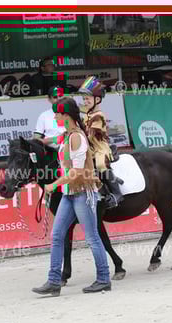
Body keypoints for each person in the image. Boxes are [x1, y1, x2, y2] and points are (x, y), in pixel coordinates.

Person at [32, 97, 112, 296]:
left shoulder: (76, 138)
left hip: (83, 192)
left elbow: (76, 171)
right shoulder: (66, 135)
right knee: (57, 235)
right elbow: (51, 140)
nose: (55, 117)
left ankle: (104, 278)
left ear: (66, 115)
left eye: (57, 114)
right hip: (69, 194)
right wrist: (35, 143)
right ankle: (53, 281)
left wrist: (53, 185)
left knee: (92, 237)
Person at [78, 76, 124, 209]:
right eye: (84, 99)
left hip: (100, 147)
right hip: (90, 147)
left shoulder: (98, 116)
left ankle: (117, 193)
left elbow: (91, 134)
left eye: (87, 99)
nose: (85, 102)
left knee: (100, 164)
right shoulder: (87, 114)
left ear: (97, 100)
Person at [34, 86, 66, 151]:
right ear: (49, 99)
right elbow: (35, 140)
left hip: (69, 151)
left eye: (60, 96)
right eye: (55, 97)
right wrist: (54, 139)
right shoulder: (44, 116)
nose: (59, 99)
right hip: (51, 152)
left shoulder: (70, 113)